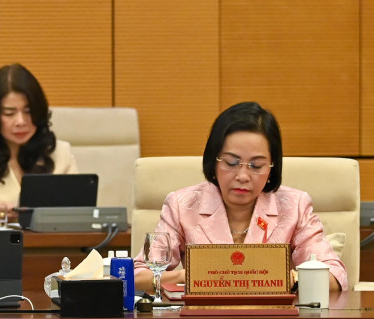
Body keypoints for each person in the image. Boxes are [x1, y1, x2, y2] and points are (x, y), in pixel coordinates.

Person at [133, 101, 347, 293]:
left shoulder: (294, 206)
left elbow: (336, 277)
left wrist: (290, 279)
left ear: (272, 168)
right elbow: (138, 276)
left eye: (257, 165)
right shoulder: (182, 205)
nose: (243, 176)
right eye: (231, 163)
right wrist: (186, 276)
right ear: (213, 161)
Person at [0, 63, 77, 221]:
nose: (21, 121)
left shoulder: (61, 153)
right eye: (9, 113)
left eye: (29, 111)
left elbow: (78, 214)